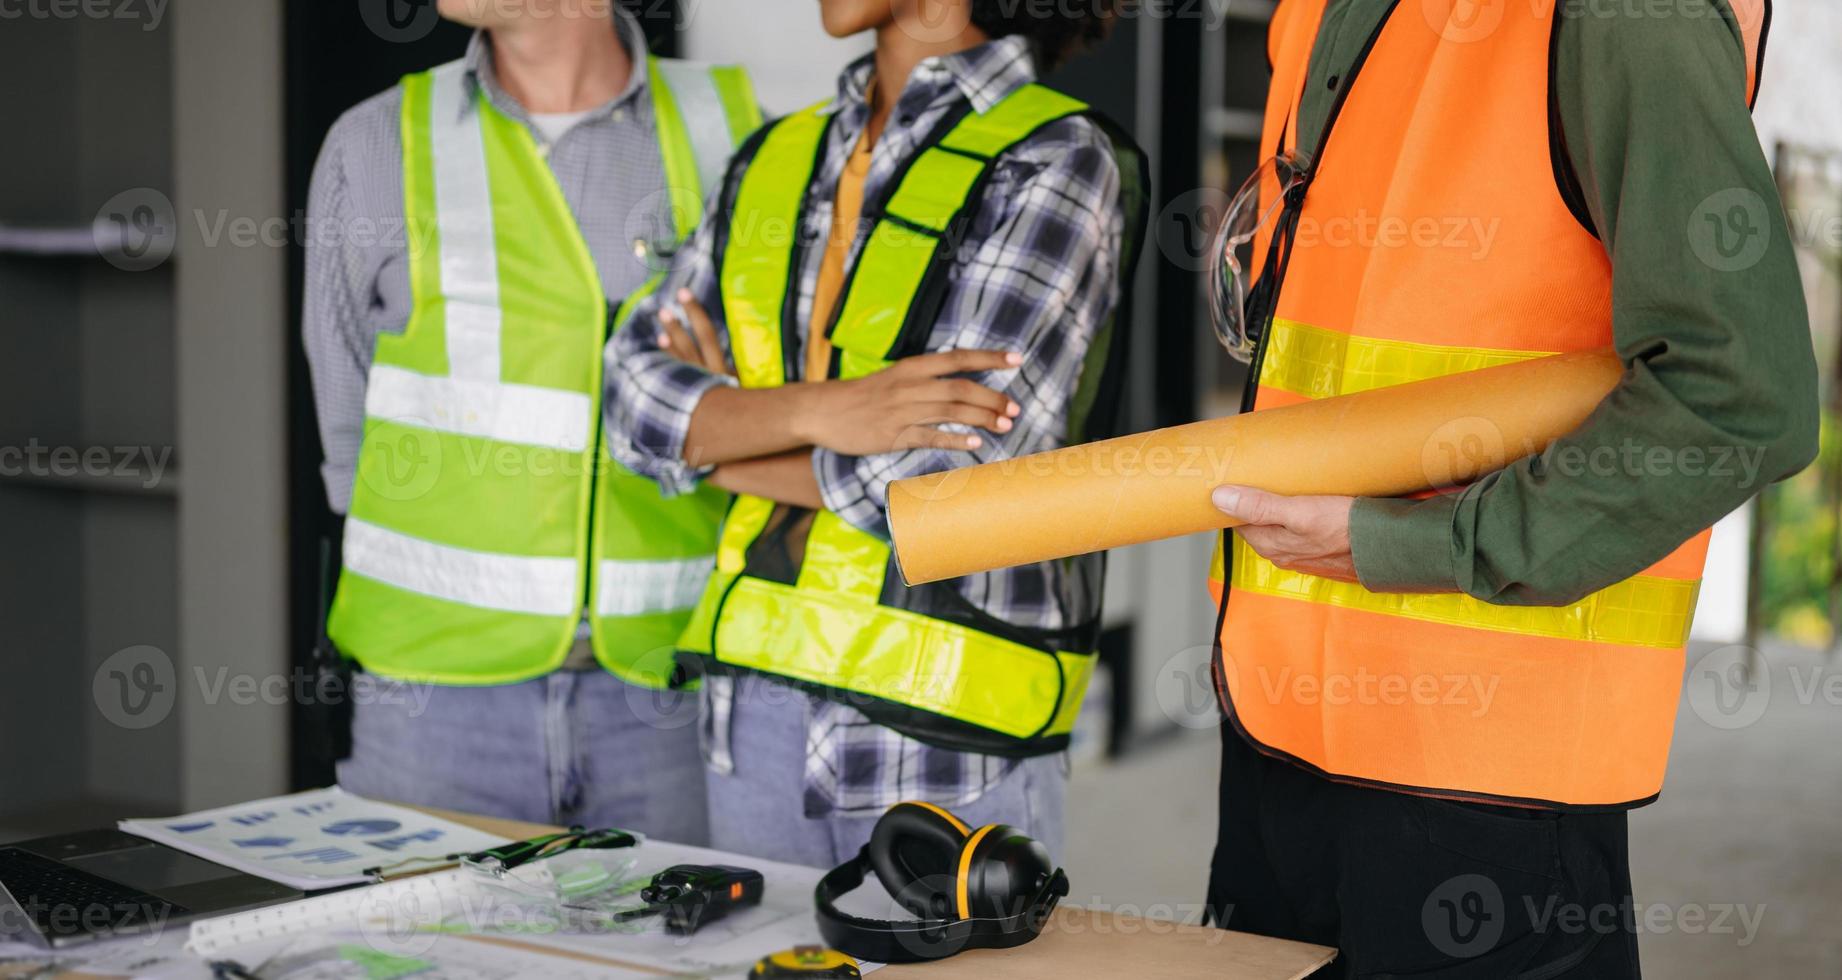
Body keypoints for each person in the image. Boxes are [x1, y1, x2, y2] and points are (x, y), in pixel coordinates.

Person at [1200, 0, 1814, 975]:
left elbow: (1740, 397)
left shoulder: (1624, 19)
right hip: (1278, 730)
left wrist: (1416, 543)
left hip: (1486, 778)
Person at [603, 0, 1144, 867]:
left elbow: (935, 487)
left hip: (944, 742)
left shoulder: (1056, 158)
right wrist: (827, 411)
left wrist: (715, 447)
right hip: (755, 713)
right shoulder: (775, 156)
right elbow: (631, 400)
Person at [302, 0, 760, 839]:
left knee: (676, 968)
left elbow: (771, 403)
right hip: (433, 704)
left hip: (672, 694)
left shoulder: (738, 133)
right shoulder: (374, 145)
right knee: (416, 966)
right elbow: (346, 433)